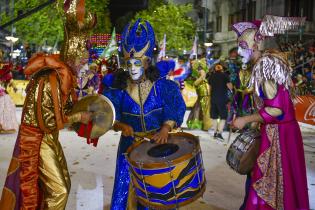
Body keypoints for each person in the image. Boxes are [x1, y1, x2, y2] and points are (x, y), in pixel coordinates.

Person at [104, 19, 186, 210]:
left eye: (138, 63)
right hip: (128, 149)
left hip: (157, 146)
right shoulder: (118, 89)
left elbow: (175, 106)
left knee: (157, 194)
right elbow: (107, 114)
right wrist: (118, 125)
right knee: (126, 193)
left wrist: (166, 128)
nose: (132, 68)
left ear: (148, 62)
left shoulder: (163, 87)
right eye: (129, 63)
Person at [231, 15, 309, 210]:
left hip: (279, 135)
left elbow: (276, 110)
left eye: (242, 46)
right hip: (277, 133)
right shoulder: (262, 64)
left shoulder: (265, 66)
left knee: (269, 187)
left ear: (255, 45)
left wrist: (245, 120)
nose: (238, 51)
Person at [0, 54, 91, 210]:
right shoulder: (49, 80)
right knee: (59, 191)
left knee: (65, 185)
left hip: (50, 138)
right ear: (71, 58)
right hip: (37, 140)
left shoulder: (66, 78)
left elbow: (66, 109)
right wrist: (78, 116)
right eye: (82, 61)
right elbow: (48, 123)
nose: (85, 65)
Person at [207, 64, 233, 141]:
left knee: (214, 116)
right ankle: (219, 133)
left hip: (213, 98)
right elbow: (230, 87)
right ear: (222, 69)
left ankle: (215, 132)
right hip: (222, 98)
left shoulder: (211, 77)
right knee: (223, 116)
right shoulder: (225, 76)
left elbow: (210, 88)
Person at [187, 58, 211, 130]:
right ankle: (201, 124)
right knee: (201, 108)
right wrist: (201, 77)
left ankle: (201, 124)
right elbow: (195, 83)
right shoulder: (200, 74)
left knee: (200, 108)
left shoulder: (201, 74)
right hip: (202, 93)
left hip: (204, 93)